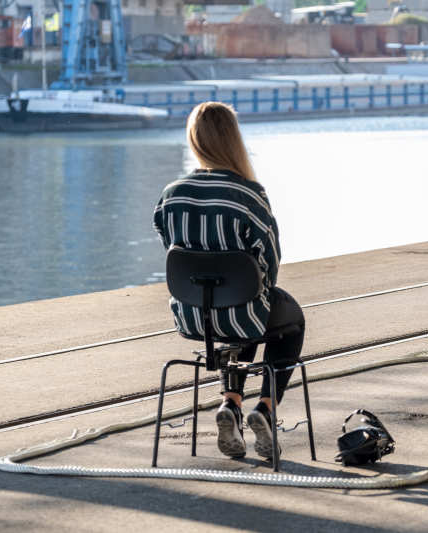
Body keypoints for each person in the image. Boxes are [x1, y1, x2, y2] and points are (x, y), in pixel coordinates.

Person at [153, 101, 305, 459]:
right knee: (285, 319)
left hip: (192, 315)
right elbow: (270, 261)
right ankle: (265, 408)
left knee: (245, 306)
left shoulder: (170, 196)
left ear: (194, 140)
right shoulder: (250, 195)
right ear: (233, 139)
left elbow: (170, 253)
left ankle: (231, 405)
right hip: (242, 311)